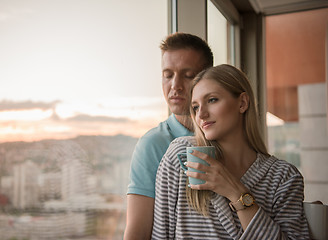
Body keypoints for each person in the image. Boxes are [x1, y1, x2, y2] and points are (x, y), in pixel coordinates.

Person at [152, 64, 310, 239]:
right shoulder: (182, 156)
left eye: (212, 100)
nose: (201, 114)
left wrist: (236, 193)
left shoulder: (283, 177)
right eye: (195, 107)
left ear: (242, 103)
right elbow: (161, 235)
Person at [124, 33, 214, 239]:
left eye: (188, 75)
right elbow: (137, 232)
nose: (175, 85)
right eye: (168, 74)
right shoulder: (153, 144)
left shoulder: (225, 136)